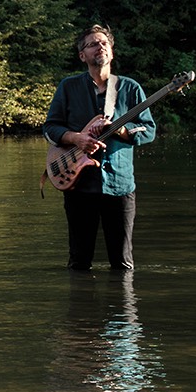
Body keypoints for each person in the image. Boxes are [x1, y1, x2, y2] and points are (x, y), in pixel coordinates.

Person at [42, 24, 155, 272]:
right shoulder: (68, 87)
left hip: (120, 185)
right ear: (82, 55)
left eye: (104, 43)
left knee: (123, 263)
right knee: (79, 261)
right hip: (79, 185)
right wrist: (76, 139)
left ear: (112, 52)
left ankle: (123, 310)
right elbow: (50, 128)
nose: (100, 46)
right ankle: (81, 310)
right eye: (93, 44)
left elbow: (149, 130)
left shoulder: (130, 88)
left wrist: (122, 130)